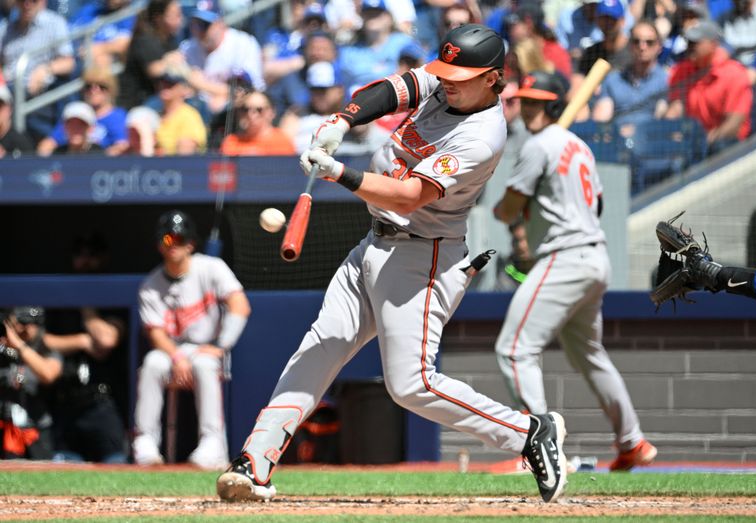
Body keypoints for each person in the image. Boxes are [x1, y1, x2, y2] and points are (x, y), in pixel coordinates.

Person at [216, 24, 568, 504]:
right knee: (321, 345)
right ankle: (255, 461)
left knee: (411, 384)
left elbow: (408, 196)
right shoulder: (447, 85)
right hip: (374, 241)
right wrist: (343, 119)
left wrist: (340, 171)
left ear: (492, 78)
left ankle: (528, 432)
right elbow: (392, 90)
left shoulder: (482, 135)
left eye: (461, 75)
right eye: (446, 71)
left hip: (423, 255)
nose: (448, 81)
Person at [492, 71, 657, 472]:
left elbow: (508, 210)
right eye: (526, 100)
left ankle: (538, 452)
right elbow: (595, 206)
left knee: (514, 350)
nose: (530, 108)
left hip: (563, 257)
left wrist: (507, 211)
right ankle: (632, 441)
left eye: (538, 101)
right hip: (594, 257)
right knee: (589, 353)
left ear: (555, 105)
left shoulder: (537, 146)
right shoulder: (579, 145)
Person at [132, 210, 251, 470]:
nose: (174, 244)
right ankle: (145, 443)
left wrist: (221, 346)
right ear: (159, 244)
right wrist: (176, 357)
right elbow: (155, 332)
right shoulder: (150, 285)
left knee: (203, 364)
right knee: (152, 362)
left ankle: (212, 446)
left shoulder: (211, 267)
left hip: (206, 349)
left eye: (180, 238)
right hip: (172, 352)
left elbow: (240, 305)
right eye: (167, 239)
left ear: (191, 243)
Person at [44, 233, 128, 463]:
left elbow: (106, 341)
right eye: (79, 255)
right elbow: (44, 340)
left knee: (116, 468)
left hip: (102, 404)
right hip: (66, 403)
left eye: (92, 255)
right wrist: (81, 340)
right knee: (63, 473)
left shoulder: (114, 297)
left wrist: (86, 304)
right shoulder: (60, 300)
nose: (85, 261)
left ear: (103, 258)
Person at [666, 20, 752, 153]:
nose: (690, 47)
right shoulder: (681, 71)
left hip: (729, 145)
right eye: (689, 42)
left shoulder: (733, 73)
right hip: (693, 142)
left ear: (713, 44)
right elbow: (675, 109)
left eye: (696, 43)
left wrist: (705, 140)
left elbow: (734, 124)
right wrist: (669, 132)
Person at [0, 0, 76, 141]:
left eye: (33, 0)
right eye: (22, 1)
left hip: (40, 92)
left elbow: (69, 62)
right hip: (8, 90)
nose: (27, 4)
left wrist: (45, 69)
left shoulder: (54, 22)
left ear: (42, 1)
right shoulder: (6, 29)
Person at [179, 0, 265, 114]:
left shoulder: (243, 43)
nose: (200, 30)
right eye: (196, 24)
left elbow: (247, 91)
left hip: (236, 114)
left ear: (220, 23)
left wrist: (202, 85)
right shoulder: (187, 48)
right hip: (198, 113)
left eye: (205, 25)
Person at [0, 307, 62, 460]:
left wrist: (19, 345)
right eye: (21, 322)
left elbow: (48, 374)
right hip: (7, 428)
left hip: (37, 429)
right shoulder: (3, 351)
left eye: (32, 323)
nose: (25, 327)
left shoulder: (45, 350)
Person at [592, 20, 669, 133]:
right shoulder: (613, 80)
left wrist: (637, 132)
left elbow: (665, 119)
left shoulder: (667, 80)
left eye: (649, 42)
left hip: (653, 144)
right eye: (636, 41)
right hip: (617, 142)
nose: (642, 47)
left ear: (659, 47)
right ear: (629, 45)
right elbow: (600, 120)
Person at [38, 66, 128, 156]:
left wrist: (100, 157)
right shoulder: (75, 115)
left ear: (110, 90)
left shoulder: (117, 117)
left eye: (101, 86)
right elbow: (48, 144)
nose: (94, 90)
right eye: (89, 86)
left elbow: (122, 147)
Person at [117, 0, 185, 110]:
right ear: (159, 18)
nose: (180, 19)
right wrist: (168, 61)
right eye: (175, 15)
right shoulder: (144, 39)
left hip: (156, 97)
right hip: (135, 103)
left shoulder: (169, 40)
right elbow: (153, 70)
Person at [154, 64, 208, 155]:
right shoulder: (155, 114)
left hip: (173, 168)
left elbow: (184, 158)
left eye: (171, 83)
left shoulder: (189, 116)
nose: (165, 86)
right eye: (162, 82)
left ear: (185, 89)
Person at [219, 91, 295, 156]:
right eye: (245, 109)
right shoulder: (231, 142)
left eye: (259, 110)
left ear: (271, 112)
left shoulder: (282, 141)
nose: (251, 114)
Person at [0, 84, 34, 158]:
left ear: (9, 109)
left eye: (0, 106)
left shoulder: (21, 143)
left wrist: (5, 160)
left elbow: (31, 167)